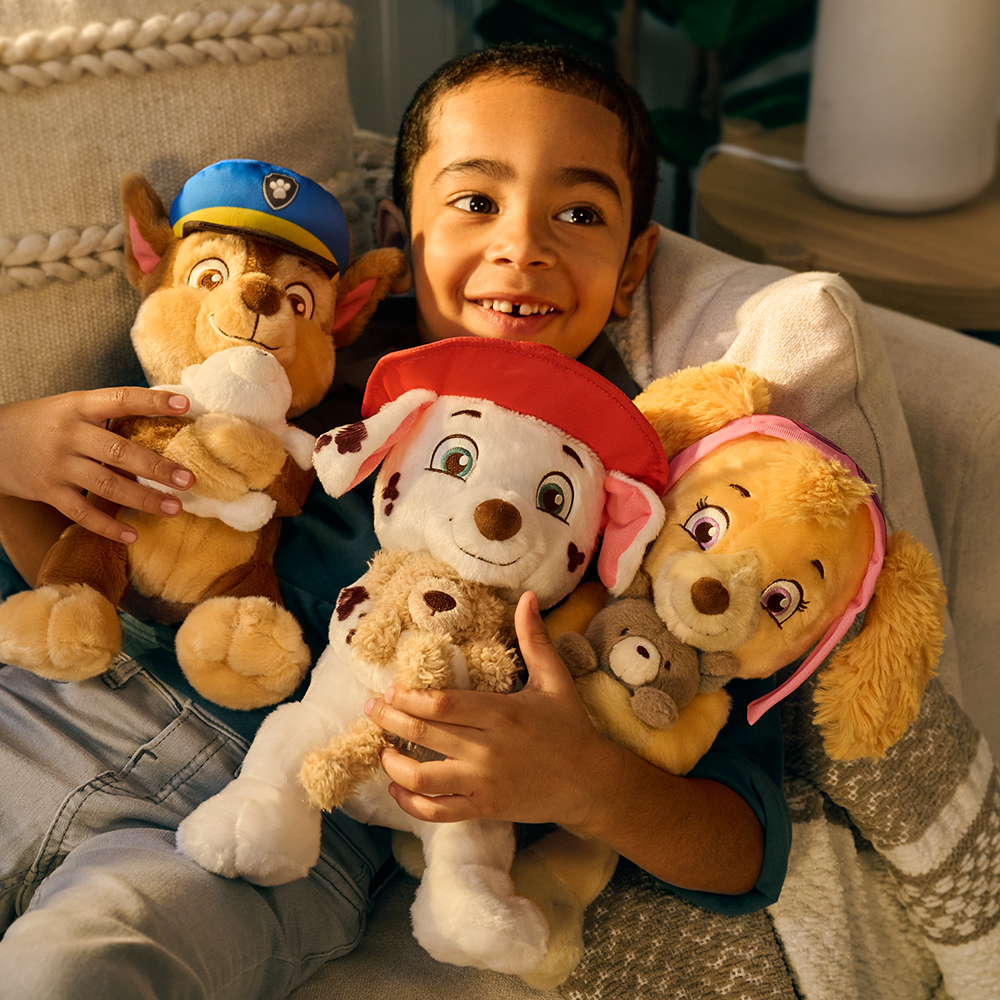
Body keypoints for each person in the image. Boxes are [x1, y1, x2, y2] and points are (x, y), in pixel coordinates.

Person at [0, 42, 788, 1000]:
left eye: (579, 214)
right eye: (475, 200)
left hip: (297, 822)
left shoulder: (644, 496)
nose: (522, 246)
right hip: (67, 710)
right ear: (396, 235)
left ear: (634, 266)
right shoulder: (288, 368)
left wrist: (585, 782)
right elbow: (73, 555)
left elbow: (745, 845)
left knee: (75, 969)